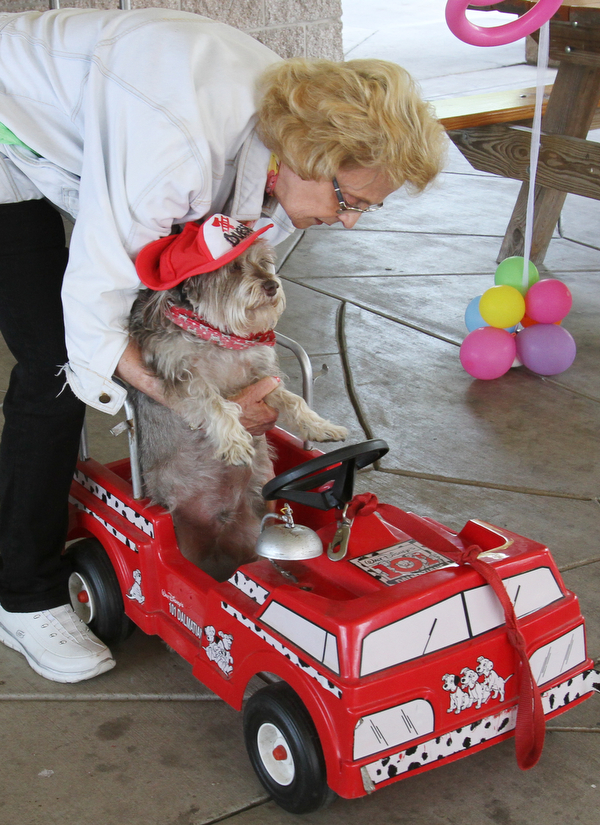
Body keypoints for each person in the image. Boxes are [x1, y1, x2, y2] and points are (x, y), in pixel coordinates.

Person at [0, 7, 446, 683]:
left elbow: (212, 288)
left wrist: (238, 387)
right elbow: (97, 298)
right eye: (348, 200)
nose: (348, 221)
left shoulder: (282, 145)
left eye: (365, 210)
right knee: (53, 365)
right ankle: (22, 591)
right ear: (313, 155)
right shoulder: (177, 140)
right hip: (9, 123)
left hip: (80, 133)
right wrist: (183, 398)